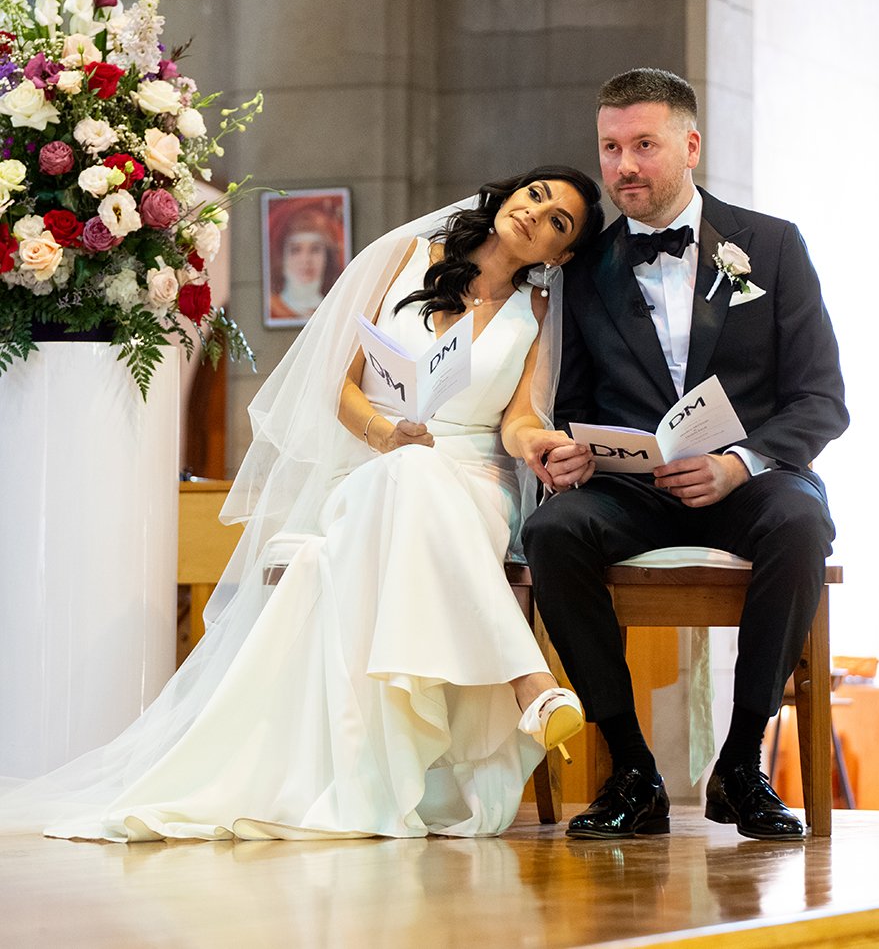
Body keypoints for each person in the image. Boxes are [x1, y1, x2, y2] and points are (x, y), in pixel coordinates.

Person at [0, 166, 603, 841]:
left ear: (561, 254)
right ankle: (530, 683)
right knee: (407, 474)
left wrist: (539, 442)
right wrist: (386, 433)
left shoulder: (538, 311)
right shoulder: (406, 258)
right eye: (536, 196)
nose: (536, 214)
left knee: (420, 478)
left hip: (476, 484)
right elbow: (336, 382)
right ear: (509, 194)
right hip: (377, 461)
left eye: (559, 221)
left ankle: (508, 696)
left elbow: (519, 418)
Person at [521, 69, 848, 841]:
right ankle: (633, 773)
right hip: (631, 489)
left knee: (801, 524)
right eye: (610, 148)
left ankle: (741, 767)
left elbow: (822, 397)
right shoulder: (586, 269)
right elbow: (573, 403)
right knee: (552, 532)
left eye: (643, 145)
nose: (623, 166)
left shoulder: (771, 244)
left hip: (749, 482)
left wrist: (741, 463)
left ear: (690, 145)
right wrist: (569, 453)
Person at [267, 201, 344, 321]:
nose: (306, 260)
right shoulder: (273, 306)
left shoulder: (336, 309)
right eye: (296, 250)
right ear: (282, 258)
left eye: (315, 249)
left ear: (327, 257)